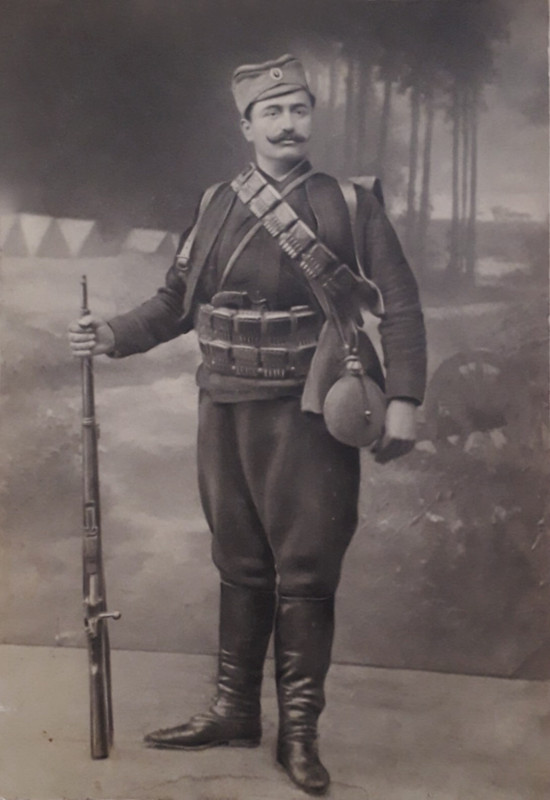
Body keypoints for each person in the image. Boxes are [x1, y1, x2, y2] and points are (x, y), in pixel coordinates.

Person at [68, 54, 426, 796]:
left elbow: (400, 303)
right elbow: (175, 301)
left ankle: (300, 734)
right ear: (246, 125)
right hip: (224, 404)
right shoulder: (217, 203)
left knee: (307, 569)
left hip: (309, 412)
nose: (287, 123)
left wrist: (405, 399)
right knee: (238, 561)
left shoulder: (349, 204)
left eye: (298, 109)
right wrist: (112, 333)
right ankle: (235, 712)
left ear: (311, 117)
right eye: (272, 112)